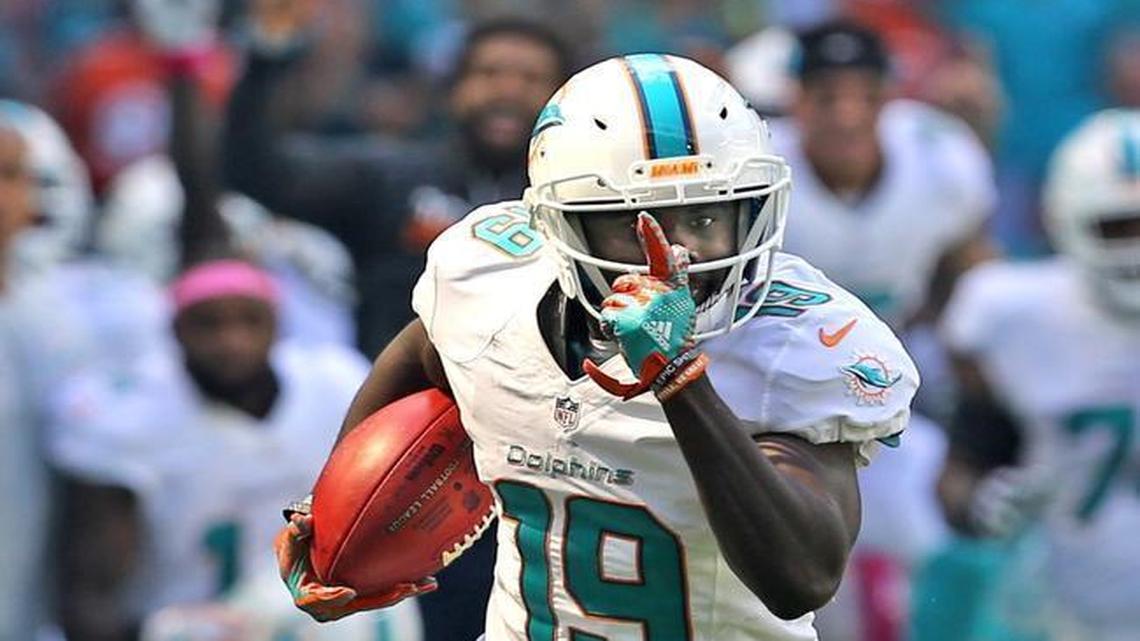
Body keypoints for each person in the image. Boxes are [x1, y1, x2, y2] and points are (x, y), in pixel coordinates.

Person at [275, 53, 920, 640]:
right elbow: (425, 353)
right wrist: (334, 517)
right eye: (630, 226)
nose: (676, 255)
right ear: (562, 226)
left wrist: (679, 381)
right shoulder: (488, 284)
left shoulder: (794, 342)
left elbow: (801, 579)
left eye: (703, 218)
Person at [48, 258, 421, 641]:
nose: (231, 341)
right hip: (189, 622)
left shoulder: (332, 384)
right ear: (175, 331)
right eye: (208, 324)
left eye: (249, 320)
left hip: (321, 617)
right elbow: (89, 587)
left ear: (278, 325)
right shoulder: (131, 417)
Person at [223, 0, 574, 356]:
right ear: (453, 89)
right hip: (396, 400)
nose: (509, 91)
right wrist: (266, 55)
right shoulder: (390, 177)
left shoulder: (581, 200)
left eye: (532, 78)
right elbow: (261, 175)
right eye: (488, 73)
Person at [936, 109, 1140, 641]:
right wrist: (981, 502)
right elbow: (963, 468)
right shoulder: (1016, 315)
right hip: (1060, 611)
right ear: (1064, 218)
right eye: (1118, 227)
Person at [773, 20, 997, 332]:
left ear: (890, 96)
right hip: (780, 346)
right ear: (795, 99)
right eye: (826, 98)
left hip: (909, 336)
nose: (848, 116)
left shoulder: (938, 153)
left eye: (868, 96)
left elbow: (970, 261)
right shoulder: (759, 164)